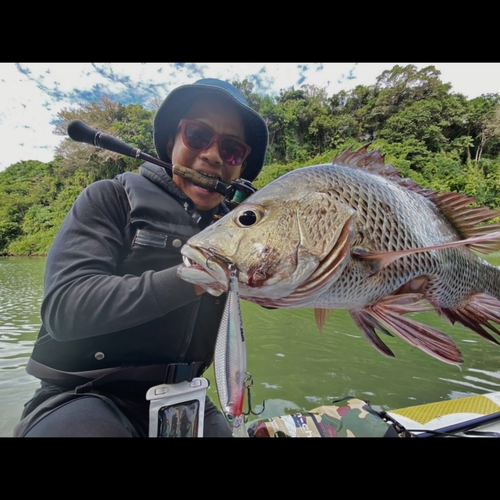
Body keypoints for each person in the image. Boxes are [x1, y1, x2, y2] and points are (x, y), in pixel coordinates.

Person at [14, 78, 269, 437]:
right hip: (86, 394)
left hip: (185, 398)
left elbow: (281, 287)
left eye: (231, 151)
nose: (212, 155)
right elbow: (65, 308)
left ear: (240, 167)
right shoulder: (111, 198)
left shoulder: (239, 226)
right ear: (171, 142)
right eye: (197, 136)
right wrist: (195, 276)